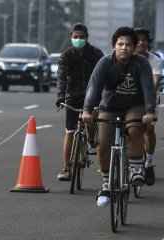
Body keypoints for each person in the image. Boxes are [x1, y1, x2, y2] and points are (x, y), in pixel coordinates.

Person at [82, 26, 156, 207]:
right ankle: (107, 183)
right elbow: (94, 88)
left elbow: (148, 88)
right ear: (113, 46)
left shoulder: (141, 63)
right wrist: (87, 110)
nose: (124, 48)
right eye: (120, 44)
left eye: (128, 45)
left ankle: (137, 168)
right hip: (110, 107)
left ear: (134, 47)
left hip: (134, 105)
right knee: (102, 143)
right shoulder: (105, 63)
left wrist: (149, 112)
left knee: (135, 129)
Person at [55, 23, 104, 181]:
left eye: (81, 37)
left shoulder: (96, 54)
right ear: (71, 37)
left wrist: (102, 96)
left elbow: (103, 75)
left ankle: (91, 140)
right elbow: (62, 76)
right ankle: (66, 168)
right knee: (70, 133)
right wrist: (61, 96)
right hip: (72, 96)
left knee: (91, 121)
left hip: (92, 96)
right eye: (75, 37)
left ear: (86, 38)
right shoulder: (66, 56)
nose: (78, 39)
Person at [134, 28, 162, 186]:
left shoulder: (155, 60)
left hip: (149, 99)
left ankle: (148, 164)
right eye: (137, 40)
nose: (141, 43)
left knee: (148, 129)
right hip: (128, 99)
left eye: (144, 40)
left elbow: (154, 84)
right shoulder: (126, 58)